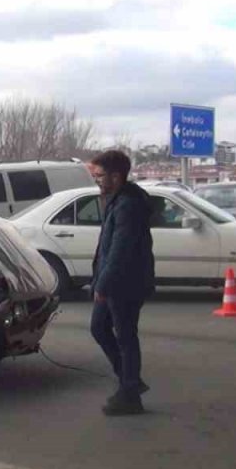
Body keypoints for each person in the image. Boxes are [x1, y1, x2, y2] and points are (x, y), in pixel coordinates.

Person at [88, 150, 155, 416]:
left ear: (116, 176)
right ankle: (130, 381)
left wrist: (102, 286)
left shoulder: (128, 203)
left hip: (125, 283)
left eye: (100, 176)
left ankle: (129, 393)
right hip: (115, 280)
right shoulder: (116, 199)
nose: (97, 181)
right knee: (99, 328)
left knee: (125, 336)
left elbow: (120, 250)